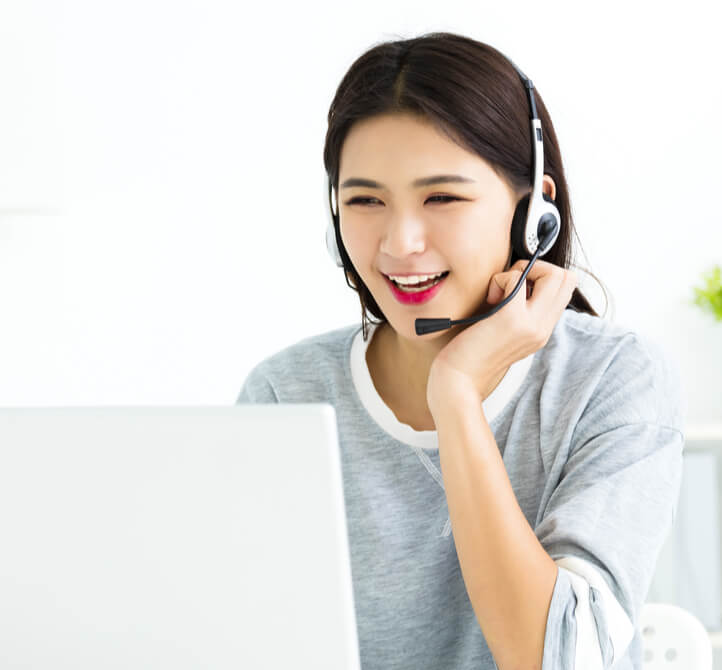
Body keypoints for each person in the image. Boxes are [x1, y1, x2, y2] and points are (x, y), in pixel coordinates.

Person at [237, 31, 685, 670]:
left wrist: (456, 394)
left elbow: (554, 661)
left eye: (441, 197)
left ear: (533, 213)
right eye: (365, 200)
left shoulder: (611, 380)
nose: (400, 242)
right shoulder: (286, 396)